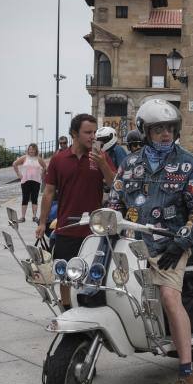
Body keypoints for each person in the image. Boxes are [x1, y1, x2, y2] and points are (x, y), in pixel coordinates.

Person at [108, 99, 193, 384]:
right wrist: (109, 223)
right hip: (133, 241)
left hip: (171, 243)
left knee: (168, 297)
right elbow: (115, 201)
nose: (166, 134)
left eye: (169, 128)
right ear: (146, 131)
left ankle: (186, 373)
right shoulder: (130, 164)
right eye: (158, 129)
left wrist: (182, 240)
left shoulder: (190, 163)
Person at [36, 114, 115, 308]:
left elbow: (114, 184)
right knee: (63, 271)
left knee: (94, 271)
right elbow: (48, 192)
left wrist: (102, 163)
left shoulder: (101, 156)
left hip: (93, 229)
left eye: (95, 132)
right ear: (74, 134)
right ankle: (66, 306)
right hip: (66, 225)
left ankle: (90, 305)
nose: (93, 136)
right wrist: (42, 222)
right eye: (88, 132)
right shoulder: (58, 159)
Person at [13, 143, 47, 222]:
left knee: (35, 198)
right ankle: (22, 217)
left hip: (36, 181)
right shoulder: (24, 158)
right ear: (28, 150)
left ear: (36, 150)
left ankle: (34, 216)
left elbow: (45, 167)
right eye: (30, 149)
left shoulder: (39, 159)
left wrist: (42, 174)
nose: (31, 151)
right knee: (25, 198)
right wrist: (18, 174)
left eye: (33, 149)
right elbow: (14, 164)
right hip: (25, 180)